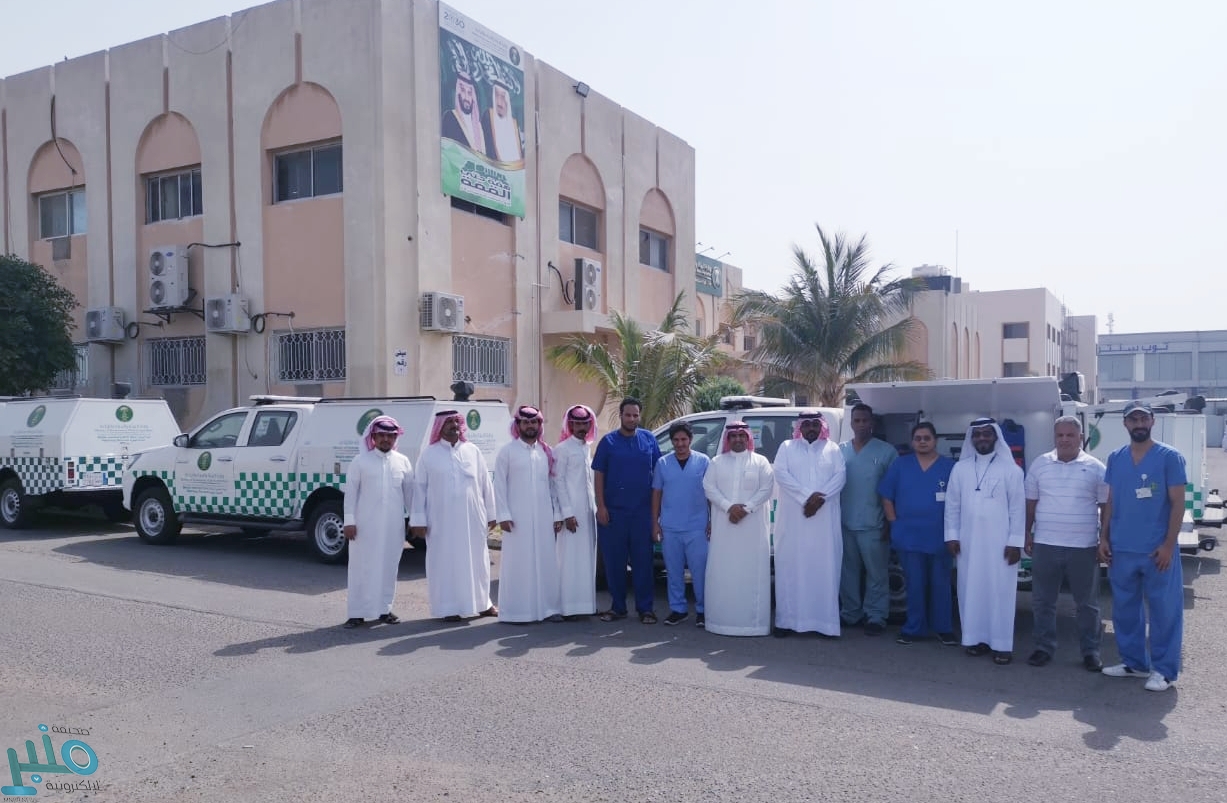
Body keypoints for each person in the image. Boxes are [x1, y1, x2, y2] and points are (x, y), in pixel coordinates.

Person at [1100, 401, 1187, 692]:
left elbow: (1178, 504)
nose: (1138, 424)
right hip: (1122, 548)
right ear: (1125, 424)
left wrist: (1168, 545)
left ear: (1152, 421)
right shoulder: (1116, 458)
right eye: (1133, 419)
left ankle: (1164, 671)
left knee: (1164, 611)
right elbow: (1111, 500)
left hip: (1156, 550)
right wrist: (1104, 537)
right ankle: (1134, 663)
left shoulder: (1169, 457)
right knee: (1125, 610)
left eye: (1143, 419)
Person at [1024, 416, 1108, 671]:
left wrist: (1104, 539)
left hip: (1083, 546)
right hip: (1046, 544)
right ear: (1054, 437)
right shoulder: (1040, 464)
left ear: (1080, 438)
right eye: (1060, 435)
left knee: (1087, 604)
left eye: (1070, 435)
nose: (1064, 440)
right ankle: (1043, 647)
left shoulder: (1096, 468)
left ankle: (1090, 652)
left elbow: (1106, 507)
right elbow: (1030, 504)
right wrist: (1026, 533)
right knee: (1043, 601)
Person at [944, 418, 1026, 664]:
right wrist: (952, 536)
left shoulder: (1011, 470)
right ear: (971, 439)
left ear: (996, 437)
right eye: (977, 434)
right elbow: (952, 505)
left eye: (987, 434)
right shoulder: (960, 469)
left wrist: (1015, 543)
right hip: (968, 543)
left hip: (1001, 544)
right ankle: (975, 639)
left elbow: (1018, 510)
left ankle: (1002, 644)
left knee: (1000, 592)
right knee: (971, 590)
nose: (982, 438)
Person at [409, 410, 499, 622]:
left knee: (477, 561)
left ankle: (483, 604)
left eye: (456, 421)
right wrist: (418, 520)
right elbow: (419, 489)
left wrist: (492, 513)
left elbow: (485, 483)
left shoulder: (473, 451)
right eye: (448, 422)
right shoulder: (428, 455)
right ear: (439, 426)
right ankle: (448, 608)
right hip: (441, 521)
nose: (453, 425)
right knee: (445, 562)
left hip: (473, 519)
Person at [878, 422, 958, 646]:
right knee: (914, 585)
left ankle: (943, 628)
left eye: (927, 438)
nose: (922, 442)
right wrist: (894, 523)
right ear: (912, 442)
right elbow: (886, 497)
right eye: (918, 438)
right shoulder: (900, 465)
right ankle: (913, 628)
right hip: (909, 535)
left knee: (941, 584)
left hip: (940, 536)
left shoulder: (950, 467)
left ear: (935, 441)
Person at [773, 410, 847, 638]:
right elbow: (781, 474)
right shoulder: (787, 447)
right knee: (790, 568)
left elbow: (840, 476)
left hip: (824, 522)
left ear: (821, 426)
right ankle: (786, 621)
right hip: (794, 522)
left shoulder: (833, 449)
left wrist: (819, 499)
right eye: (806, 424)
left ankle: (825, 624)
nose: (811, 428)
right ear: (800, 427)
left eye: (815, 424)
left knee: (824, 568)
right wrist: (807, 497)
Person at [592, 397, 662, 624]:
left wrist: (656, 514)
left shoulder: (649, 440)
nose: (631, 419)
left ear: (639, 416)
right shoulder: (608, 442)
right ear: (621, 416)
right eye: (628, 415)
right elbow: (599, 474)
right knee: (615, 563)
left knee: (643, 562)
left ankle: (646, 609)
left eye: (635, 415)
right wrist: (601, 506)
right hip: (614, 514)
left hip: (642, 513)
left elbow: (659, 475)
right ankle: (618, 607)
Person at [702, 422, 775, 636]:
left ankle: (753, 625)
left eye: (741, 435)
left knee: (752, 573)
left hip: (752, 529)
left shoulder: (760, 461)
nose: (737, 439)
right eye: (733, 436)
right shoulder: (716, 462)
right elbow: (709, 487)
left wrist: (746, 508)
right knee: (723, 572)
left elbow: (766, 488)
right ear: (728, 439)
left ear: (748, 438)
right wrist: (728, 507)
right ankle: (720, 622)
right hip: (724, 528)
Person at [342, 416, 414, 629]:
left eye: (390, 436)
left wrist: (416, 519)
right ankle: (356, 613)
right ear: (373, 437)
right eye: (381, 435)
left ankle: (384, 609)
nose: (386, 439)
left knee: (388, 567)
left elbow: (410, 495)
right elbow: (350, 494)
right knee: (361, 568)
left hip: (393, 526)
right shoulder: (360, 461)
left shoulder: (403, 461)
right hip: (364, 526)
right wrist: (349, 521)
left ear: (395, 438)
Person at [493, 405, 563, 624]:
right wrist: (503, 515)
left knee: (546, 561)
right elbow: (499, 485)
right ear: (518, 425)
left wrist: (557, 514)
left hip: (543, 517)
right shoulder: (507, 452)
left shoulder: (545, 452)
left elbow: (553, 486)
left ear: (539, 425)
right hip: (516, 519)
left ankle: (548, 609)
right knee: (518, 563)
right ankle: (517, 612)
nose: (530, 426)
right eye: (526, 422)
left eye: (534, 422)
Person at [838, 403, 897, 635]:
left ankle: (876, 616)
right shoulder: (840, 451)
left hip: (874, 524)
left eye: (865, 420)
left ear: (872, 423)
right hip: (844, 523)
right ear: (851, 423)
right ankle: (850, 613)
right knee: (848, 572)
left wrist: (890, 522)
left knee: (877, 573)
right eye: (857, 420)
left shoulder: (886, 452)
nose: (861, 424)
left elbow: (894, 490)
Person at [651, 421, 711, 627]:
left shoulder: (703, 461)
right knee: (673, 572)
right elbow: (656, 493)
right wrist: (655, 523)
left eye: (684, 439)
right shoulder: (663, 463)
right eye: (676, 440)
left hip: (697, 527)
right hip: (670, 527)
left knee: (700, 572)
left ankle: (703, 610)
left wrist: (711, 520)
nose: (680, 444)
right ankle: (678, 609)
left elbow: (710, 494)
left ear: (690, 440)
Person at [554, 405, 600, 619]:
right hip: (571, 514)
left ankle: (585, 606)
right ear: (570, 425)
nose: (582, 428)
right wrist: (567, 513)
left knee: (586, 560)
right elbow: (558, 482)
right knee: (570, 560)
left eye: (585, 424)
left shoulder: (586, 448)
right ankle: (567, 607)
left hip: (588, 512)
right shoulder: (562, 449)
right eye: (578, 424)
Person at [441, 71, 488, 156]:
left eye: (469, 93)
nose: (466, 97)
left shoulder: (480, 127)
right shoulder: (450, 118)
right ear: (458, 92)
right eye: (463, 90)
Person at [482, 82, 523, 163]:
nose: (499, 102)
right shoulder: (488, 116)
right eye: (496, 95)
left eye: (503, 97)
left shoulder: (514, 125)